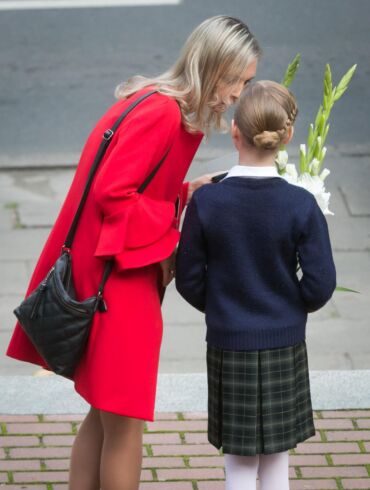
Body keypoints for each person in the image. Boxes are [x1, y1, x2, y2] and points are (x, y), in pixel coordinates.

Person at [6, 16, 261, 490]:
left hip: (102, 273)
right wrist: (174, 222)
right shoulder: (163, 114)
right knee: (124, 423)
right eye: (240, 81)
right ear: (217, 68)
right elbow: (113, 193)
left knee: (104, 417)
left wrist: (186, 192)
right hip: (117, 285)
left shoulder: (152, 101)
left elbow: (130, 186)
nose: (238, 95)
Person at [175, 80, 336, 490]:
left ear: (234, 132)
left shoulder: (207, 202)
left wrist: (222, 305)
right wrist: (288, 305)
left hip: (230, 343)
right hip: (284, 342)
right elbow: (320, 284)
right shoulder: (301, 203)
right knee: (277, 459)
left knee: (240, 462)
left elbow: (188, 278)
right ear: (288, 137)